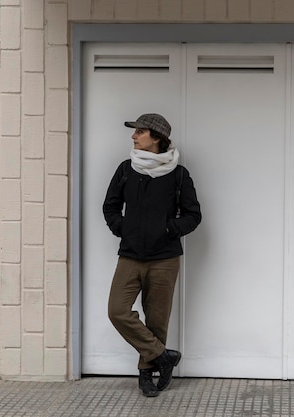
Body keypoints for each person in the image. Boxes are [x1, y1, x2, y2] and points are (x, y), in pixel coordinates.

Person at [103, 113, 202, 397]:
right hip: (130, 256)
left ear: (157, 138)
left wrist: (169, 229)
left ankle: (147, 374)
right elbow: (110, 207)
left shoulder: (179, 175)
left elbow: (194, 216)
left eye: (140, 131)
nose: (134, 136)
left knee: (157, 320)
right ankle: (163, 356)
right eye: (135, 132)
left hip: (165, 259)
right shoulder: (126, 169)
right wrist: (124, 229)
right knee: (117, 311)